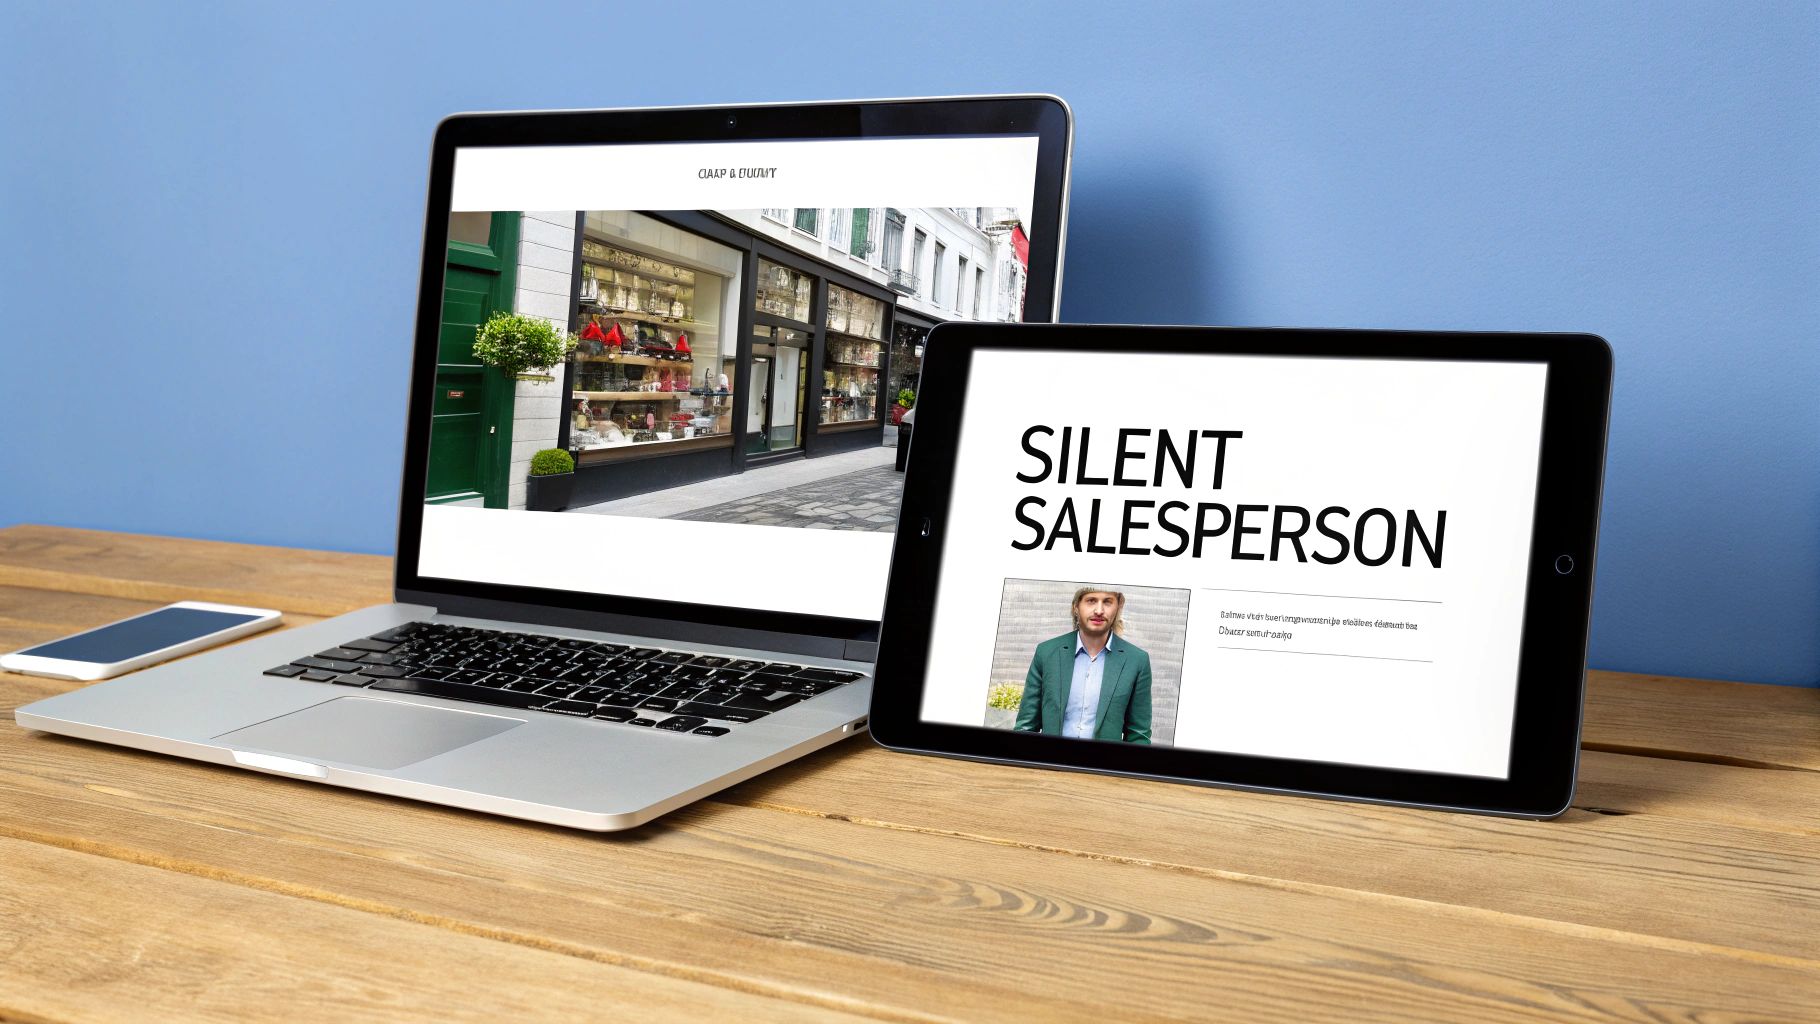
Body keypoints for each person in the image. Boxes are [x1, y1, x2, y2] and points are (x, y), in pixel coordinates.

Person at [1014, 587, 1152, 743]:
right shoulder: (1046, 653)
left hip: (1102, 765)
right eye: (1091, 600)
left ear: (1119, 606)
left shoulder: (1137, 660)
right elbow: (1026, 727)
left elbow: (1139, 736)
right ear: (1076, 607)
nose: (1099, 610)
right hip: (1050, 762)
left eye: (1107, 602)